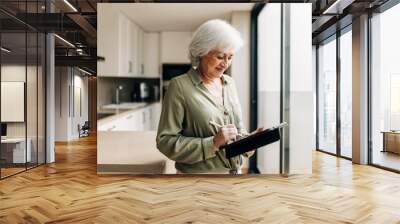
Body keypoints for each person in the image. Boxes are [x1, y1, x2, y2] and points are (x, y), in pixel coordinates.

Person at [156, 19, 260, 174]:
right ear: (201, 52)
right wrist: (213, 143)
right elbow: (165, 142)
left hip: (234, 176)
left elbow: (237, 129)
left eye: (230, 57)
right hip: (197, 180)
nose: (225, 63)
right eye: (220, 56)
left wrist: (250, 141)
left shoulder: (230, 83)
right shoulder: (179, 86)